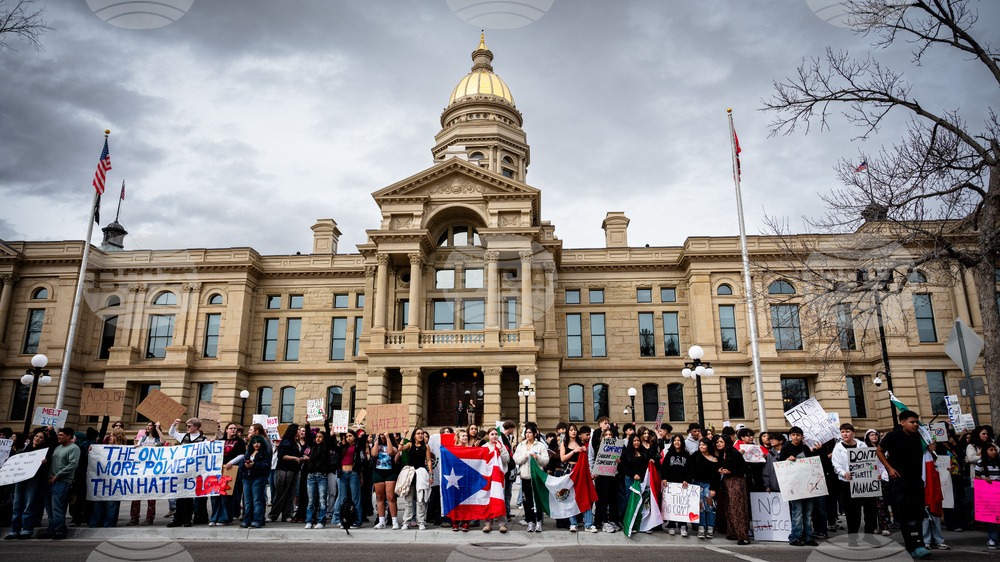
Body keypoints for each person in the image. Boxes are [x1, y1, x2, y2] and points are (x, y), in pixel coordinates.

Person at [877, 410, 933, 559]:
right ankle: (912, 545)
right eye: (912, 422)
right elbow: (880, 451)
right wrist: (889, 469)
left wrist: (932, 449)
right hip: (900, 480)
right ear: (902, 422)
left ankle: (919, 543)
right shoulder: (893, 436)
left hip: (917, 479)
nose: (915, 424)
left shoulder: (920, 437)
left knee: (918, 512)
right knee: (906, 513)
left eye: (916, 422)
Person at [831, 423, 876, 537]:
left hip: (865, 481)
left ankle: (869, 534)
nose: (845, 434)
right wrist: (844, 473)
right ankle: (853, 535)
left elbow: (870, 461)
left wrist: (875, 474)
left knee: (870, 509)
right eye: (843, 432)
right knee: (852, 510)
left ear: (853, 433)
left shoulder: (862, 445)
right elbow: (836, 464)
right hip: (847, 483)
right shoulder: (838, 447)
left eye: (847, 431)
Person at [5, 429, 50, 540]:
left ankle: (27, 529)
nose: (37, 438)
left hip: (33, 480)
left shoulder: (44, 453)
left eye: (40, 437)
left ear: (44, 441)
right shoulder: (24, 450)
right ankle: (14, 530)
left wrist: (44, 463)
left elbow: (45, 469)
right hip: (20, 479)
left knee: (29, 505)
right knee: (17, 505)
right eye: (36, 436)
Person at [779, 426, 819, 547]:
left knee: (808, 513)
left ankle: (808, 537)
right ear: (790, 436)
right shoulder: (785, 448)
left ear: (802, 436)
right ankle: (794, 537)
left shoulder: (806, 448)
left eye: (798, 435)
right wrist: (787, 460)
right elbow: (780, 465)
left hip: (807, 485)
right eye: (793, 435)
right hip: (794, 485)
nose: (796, 437)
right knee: (797, 512)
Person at [37, 427, 79, 540]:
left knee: (57, 508)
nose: (58, 437)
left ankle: (60, 531)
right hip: (50, 481)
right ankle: (51, 530)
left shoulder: (74, 448)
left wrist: (57, 475)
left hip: (61, 482)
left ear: (68, 436)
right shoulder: (57, 448)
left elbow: (72, 464)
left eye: (61, 435)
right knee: (50, 509)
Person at [167, 418, 207, 528]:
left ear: (196, 427)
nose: (187, 428)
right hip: (182, 470)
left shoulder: (203, 439)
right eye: (186, 426)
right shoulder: (183, 436)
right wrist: (174, 424)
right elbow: (171, 433)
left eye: (189, 426)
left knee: (189, 497)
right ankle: (177, 519)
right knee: (180, 496)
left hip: (194, 472)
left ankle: (187, 519)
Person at [714, 434, 750, 545]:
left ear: (726, 443)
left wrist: (730, 471)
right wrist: (721, 469)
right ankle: (733, 532)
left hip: (737, 482)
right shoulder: (721, 454)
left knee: (737, 509)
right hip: (726, 482)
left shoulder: (735, 453)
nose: (718, 444)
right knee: (728, 508)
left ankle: (743, 536)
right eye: (717, 442)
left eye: (721, 442)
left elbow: (745, 469)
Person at [560, 424, 596, 532]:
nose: (573, 432)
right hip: (570, 470)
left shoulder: (581, 443)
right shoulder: (564, 443)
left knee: (585, 496)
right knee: (570, 498)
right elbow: (562, 458)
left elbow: (589, 457)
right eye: (571, 430)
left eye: (575, 430)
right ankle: (573, 523)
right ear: (567, 432)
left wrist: (584, 450)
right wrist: (574, 451)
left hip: (581, 471)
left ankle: (589, 524)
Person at [513, 423, 549, 532]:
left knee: (537, 500)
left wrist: (537, 457)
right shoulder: (521, 445)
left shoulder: (540, 445)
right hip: (525, 477)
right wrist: (525, 456)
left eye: (530, 432)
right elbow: (516, 459)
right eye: (526, 432)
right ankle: (530, 521)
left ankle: (538, 521)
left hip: (536, 477)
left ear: (534, 434)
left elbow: (546, 460)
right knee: (527, 501)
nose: (528, 435)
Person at [91, 427, 128, 527]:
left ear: (118, 437)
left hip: (116, 482)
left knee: (112, 504)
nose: (110, 438)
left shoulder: (126, 450)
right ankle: (95, 523)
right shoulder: (105, 448)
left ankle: (109, 524)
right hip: (103, 480)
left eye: (113, 436)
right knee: (99, 502)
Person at [210, 422, 246, 526]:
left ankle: (225, 518)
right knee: (215, 495)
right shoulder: (221, 441)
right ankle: (214, 518)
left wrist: (231, 462)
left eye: (235, 428)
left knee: (227, 495)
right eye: (231, 428)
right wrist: (211, 443)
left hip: (231, 469)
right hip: (218, 470)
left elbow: (242, 455)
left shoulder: (239, 442)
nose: (233, 430)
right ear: (226, 430)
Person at [268, 424, 306, 523]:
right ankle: (273, 515)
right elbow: (282, 455)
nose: (299, 432)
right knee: (281, 492)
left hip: (295, 470)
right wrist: (294, 458)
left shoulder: (296, 442)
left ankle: (287, 514)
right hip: (284, 470)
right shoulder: (286, 442)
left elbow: (299, 454)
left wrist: (302, 458)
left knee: (291, 493)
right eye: (298, 430)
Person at [129, 421, 161, 526]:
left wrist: (158, 429)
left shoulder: (156, 439)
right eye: (147, 425)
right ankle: (134, 517)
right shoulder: (142, 439)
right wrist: (135, 445)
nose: (147, 427)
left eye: (150, 425)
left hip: (152, 472)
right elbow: (136, 449)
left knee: (151, 496)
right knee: (136, 495)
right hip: (140, 471)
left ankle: (150, 517)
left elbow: (163, 441)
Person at [303, 425, 334, 529]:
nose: (318, 439)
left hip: (322, 476)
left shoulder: (326, 447)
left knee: (322, 499)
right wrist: (307, 424)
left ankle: (321, 521)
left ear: (324, 438)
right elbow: (307, 436)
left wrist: (326, 422)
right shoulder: (312, 447)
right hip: (311, 476)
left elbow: (329, 439)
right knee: (311, 500)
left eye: (320, 437)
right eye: (317, 437)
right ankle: (309, 521)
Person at [687, 437, 719, 539]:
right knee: (699, 507)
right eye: (700, 445)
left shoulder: (714, 459)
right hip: (697, 484)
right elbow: (690, 468)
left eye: (704, 445)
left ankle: (710, 527)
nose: (701, 446)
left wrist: (713, 488)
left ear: (708, 446)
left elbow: (715, 476)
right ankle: (701, 527)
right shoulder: (696, 456)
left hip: (709, 485)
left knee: (710, 507)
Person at [400, 427, 431, 530]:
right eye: (418, 433)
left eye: (422, 433)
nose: (421, 435)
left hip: (421, 473)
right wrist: (404, 436)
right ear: (414, 435)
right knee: (408, 499)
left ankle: (421, 521)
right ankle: (406, 521)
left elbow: (429, 460)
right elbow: (400, 448)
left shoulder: (426, 446)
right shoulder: (410, 445)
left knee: (420, 499)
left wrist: (431, 475)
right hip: (410, 473)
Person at [862, 429, 892, 536]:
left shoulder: (884, 449)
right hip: (869, 480)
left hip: (882, 479)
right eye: (871, 435)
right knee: (870, 506)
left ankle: (884, 526)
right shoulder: (863, 449)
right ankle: (873, 526)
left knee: (882, 504)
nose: (874, 437)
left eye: (876, 435)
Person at [332, 429, 365, 528]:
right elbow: (331, 445)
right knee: (342, 498)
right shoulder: (342, 447)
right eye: (346, 436)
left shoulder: (357, 446)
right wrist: (332, 434)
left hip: (353, 473)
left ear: (354, 437)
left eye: (350, 436)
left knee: (356, 498)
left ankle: (358, 521)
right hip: (342, 474)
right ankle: (344, 520)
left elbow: (363, 439)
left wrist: (359, 428)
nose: (348, 438)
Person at [481, 427, 510, 533]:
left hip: (499, 477)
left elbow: (507, 459)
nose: (494, 436)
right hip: (487, 477)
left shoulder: (502, 446)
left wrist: (501, 449)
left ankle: (502, 524)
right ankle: (488, 523)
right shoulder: (484, 447)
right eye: (492, 434)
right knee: (488, 499)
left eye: (496, 434)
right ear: (488, 436)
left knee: (499, 498)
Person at [661, 434, 691, 537]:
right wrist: (664, 478)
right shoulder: (669, 454)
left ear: (682, 442)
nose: (677, 442)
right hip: (670, 484)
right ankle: (672, 525)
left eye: (679, 440)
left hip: (683, 484)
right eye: (675, 440)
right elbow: (664, 468)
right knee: (672, 505)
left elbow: (690, 470)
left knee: (682, 505)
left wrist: (687, 479)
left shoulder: (686, 455)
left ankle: (683, 526)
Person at [240, 434, 271, 528]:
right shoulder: (248, 453)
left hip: (258, 478)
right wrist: (245, 467)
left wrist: (254, 465)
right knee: (247, 502)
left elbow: (266, 466)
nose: (256, 444)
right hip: (247, 478)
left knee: (257, 501)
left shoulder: (265, 453)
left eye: (258, 442)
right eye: (254, 443)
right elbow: (241, 465)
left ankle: (257, 520)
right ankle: (247, 520)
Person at [371, 431, 400, 529]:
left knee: (391, 497)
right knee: (379, 497)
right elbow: (374, 454)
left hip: (390, 473)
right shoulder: (376, 444)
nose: (382, 436)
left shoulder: (394, 444)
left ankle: (394, 521)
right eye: (381, 434)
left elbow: (391, 452)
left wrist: (388, 438)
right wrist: (376, 440)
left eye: (384, 434)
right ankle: (381, 521)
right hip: (378, 473)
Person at [976, 442, 1000, 549]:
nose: (994, 452)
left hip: (998, 490)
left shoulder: (998, 462)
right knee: (992, 517)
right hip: (989, 494)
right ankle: (992, 538)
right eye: (991, 450)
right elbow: (976, 476)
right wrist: (984, 479)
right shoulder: (981, 462)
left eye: (994, 450)